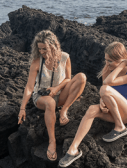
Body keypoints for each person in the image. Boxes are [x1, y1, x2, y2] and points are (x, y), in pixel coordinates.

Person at [59, 42, 127, 168]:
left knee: (105, 89)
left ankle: (120, 127)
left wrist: (123, 64)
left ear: (121, 59)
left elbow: (108, 84)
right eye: (106, 60)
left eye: (111, 61)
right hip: (114, 109)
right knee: (92, 109)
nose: (107, 64)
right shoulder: (108, 68)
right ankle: (73, 150)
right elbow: (105, 91)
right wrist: (103, 102)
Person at [17, 30, 87, 161]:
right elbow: (29, 87)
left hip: (59, 93)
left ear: (54, 45)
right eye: (39, 49)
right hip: (41, 97)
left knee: (81, 77)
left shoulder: (65, 57)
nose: (42, 52)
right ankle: (52, 141)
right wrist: (22, 108)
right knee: (50, 103)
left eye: (45, 49)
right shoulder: (37, 62)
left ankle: (64, 110)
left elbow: (67, 78)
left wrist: (57, 88)